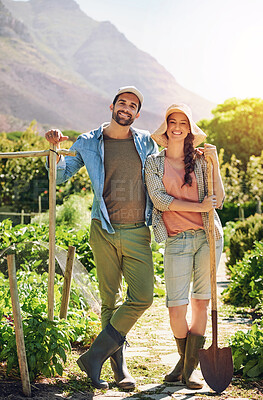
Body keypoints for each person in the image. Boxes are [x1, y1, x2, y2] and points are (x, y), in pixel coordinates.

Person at [45, 86, 158, 390]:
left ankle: (94, 355)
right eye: (122, 103)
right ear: (112, 106)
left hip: (137, 229)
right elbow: (60, 174)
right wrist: (54, 149)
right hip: (103, 229)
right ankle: (119, 369)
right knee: (110, 300)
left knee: (143, 296)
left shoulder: (146, 142)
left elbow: (165, 171)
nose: (126, 108)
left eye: (133, 105)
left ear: (137, 113)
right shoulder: (88, 141)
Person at [145, 103, 224, 389]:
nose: (177, 126)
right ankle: (185, 360)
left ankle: (189, 370)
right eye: (172, 121)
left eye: (183, 122)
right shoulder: (154, 163)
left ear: (190, 129)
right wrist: (197, 205)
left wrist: (215, 165)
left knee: (200, 302)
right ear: (166, 127)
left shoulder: (202, 161)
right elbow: (159, 200)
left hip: (207, 236)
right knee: (176, 308)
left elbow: (220, 200)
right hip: (176, 238)